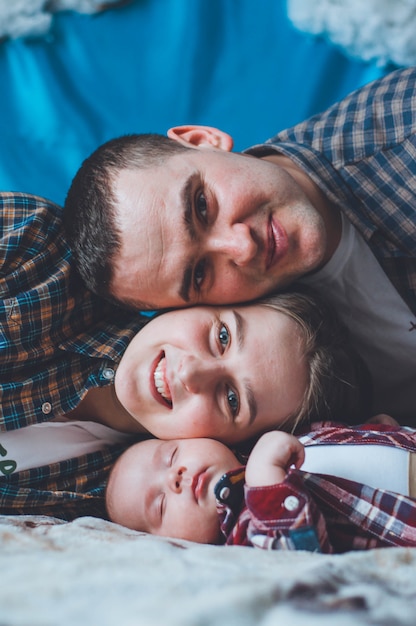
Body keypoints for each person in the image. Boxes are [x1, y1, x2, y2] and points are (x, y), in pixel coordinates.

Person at [63, 67, 416, 424]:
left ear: (202, 139)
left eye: (202, 206)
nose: (241, 246)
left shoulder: (405, 138)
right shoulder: (243, 374)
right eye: (200, 274)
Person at [0, 280, 369, 519]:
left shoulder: (132, 506)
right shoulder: (38, 268)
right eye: (222, 336)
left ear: (235, 448)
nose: (191, 374)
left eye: (231, 399)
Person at [105, 420, 416, 553]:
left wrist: (379, 430)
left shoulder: (264, 437)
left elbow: (332, 438)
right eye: (160, 505)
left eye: (171, 455)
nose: (174, 478)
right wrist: (264, 479)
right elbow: (300, 557)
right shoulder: (247, 537)